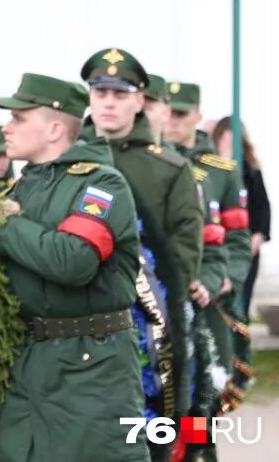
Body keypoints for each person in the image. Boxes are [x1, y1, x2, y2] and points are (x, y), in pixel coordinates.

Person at [0, 73, 145, 462]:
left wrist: (5, 225)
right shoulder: (19, 188)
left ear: (55, 128)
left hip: (90, 368)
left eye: (19, 118)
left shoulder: (102, 185)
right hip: (28, 361)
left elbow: (73, 260)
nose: (6, 128)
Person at [78, 49, 200, 447]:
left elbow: (182, 253)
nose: (108, 103)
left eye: (119, 94)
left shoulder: (169, 169)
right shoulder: (66, 160)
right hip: (72, 324)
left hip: (144, 327)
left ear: (138, 101)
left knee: (153, 435)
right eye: (100, 93)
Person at [164, 82, 250, 428]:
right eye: (167, 111)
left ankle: (201, 451)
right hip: (158, 304)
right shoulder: (152, 164)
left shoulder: (222, 172)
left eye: (181, 113)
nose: (172, 120)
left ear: (198, 116)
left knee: (203, 401)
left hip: (207, 302)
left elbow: (238, 238)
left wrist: (222, 280)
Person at [211, 117, 270, 321]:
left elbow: (263, 206)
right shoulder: (210, 171)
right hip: (218, 245)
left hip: (246, 246)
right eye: (225, 141)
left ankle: (240, 343)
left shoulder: (251, 171)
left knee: (241, 302)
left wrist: (258, 236)